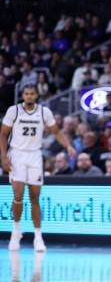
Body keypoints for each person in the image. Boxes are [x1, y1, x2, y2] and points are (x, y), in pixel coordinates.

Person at [1, 85, 76, 251]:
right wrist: (3, 156)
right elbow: (3, 134)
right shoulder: (14, 111)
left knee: (35, 197)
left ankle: (38, 236)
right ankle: (16, 231)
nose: (29, 96)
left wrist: (68, 146)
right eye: (26, 94)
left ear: (36, 96)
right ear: (23, 95)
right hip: (17, 155)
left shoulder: (44, 112)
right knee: (18, 195)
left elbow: (56, 132)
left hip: (35, 156)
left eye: (32, 94)